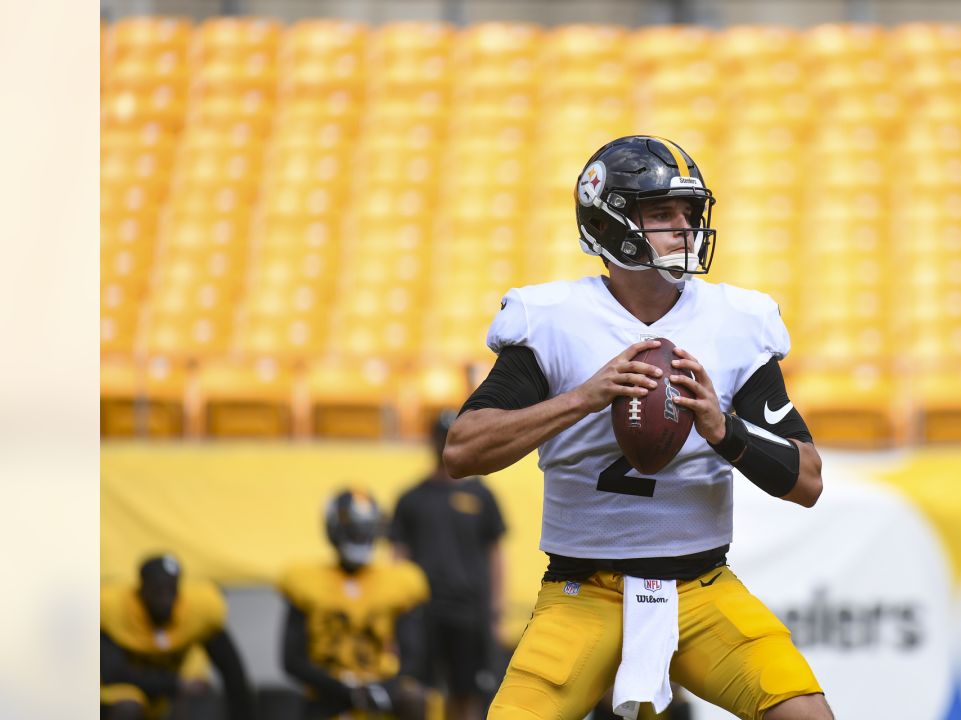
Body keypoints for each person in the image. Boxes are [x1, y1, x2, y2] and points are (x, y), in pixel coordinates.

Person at [443, 135, 832, 720]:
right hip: (581, 593)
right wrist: (581, 398)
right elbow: (462, 450)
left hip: (700, 588)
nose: (683, 227)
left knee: (805, 715)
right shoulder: (552, 320)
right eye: (661, 213)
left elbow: (808, 482)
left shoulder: (735, 321)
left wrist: (724, 430)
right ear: (610, 221)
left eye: (688, 213)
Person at [390, 409, 508, 720]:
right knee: (416, 690)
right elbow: (398, 559)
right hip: (421, 611)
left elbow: (496, 555)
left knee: (466, 691)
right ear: (431, 443)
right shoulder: (411, 499)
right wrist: (396, 615)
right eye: (440, 439)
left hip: (468, 612)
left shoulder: (481, 495)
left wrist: (496, 611)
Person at [279, 488, 430, 720]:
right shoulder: (306, 581)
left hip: (379, 687)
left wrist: (383, 688)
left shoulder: (399, 582)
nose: (359, 534)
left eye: (364, 528)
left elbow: (414, 656)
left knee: (414, 697)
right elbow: (292, 660)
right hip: (327, 692)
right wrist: (344, 690)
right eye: (353, 527)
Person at [100, 553, 257, 720]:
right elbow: (113, 673)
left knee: (202, 695)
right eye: (158, 589)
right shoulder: (114, 611)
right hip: (119, 693)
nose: (165, 598)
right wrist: (176, 684)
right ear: (142, 587)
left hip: (167, 696)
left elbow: (233, 673)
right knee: (128, 706)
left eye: (170, 589)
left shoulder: (197, 612)